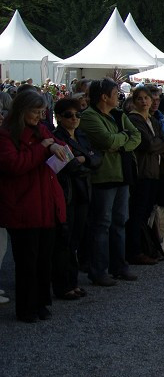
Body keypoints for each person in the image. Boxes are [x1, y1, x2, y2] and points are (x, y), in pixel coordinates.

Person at [0, 90, 67, 322]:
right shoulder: (6, 135)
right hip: (22, 206)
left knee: (43, 259)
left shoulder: (41, 129)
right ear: (22, 110)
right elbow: (14, 164)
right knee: (27, 262)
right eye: (36, 112)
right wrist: (44, 148)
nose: (40, 116)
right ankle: (27, 307)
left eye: (42, 112)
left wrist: (54, 146)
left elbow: (58, 145)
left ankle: (41, 302)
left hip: (45, 203)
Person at [79, 78, 141, 286]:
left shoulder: (119, 114)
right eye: (115, 93)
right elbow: (106, 141)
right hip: (104, 176)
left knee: (119, 222)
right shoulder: (88, 116)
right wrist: (123, 139)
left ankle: (119, 266)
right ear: (104, 97)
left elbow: (136, 136)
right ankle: (99, 270)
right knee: (102, 224)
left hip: (122, 174)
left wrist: (120, 143)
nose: (119, 97)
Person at [52, 97, 99, 299]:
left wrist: (85, 159)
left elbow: (97, 159)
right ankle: (63, 285)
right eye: (69, 115)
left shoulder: (81, 135)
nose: (74, 119)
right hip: (67, 193)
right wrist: (86, 159)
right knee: (65, 241)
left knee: (77, 239)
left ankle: (73, 281)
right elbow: (70, 166)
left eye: (78, 114)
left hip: (82, 192)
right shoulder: (56, 138)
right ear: (59, 117)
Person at [125, 86, 164, 265]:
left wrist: (158, 143)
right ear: (134, 101)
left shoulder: (153, 120)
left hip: (155, 170)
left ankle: (146, 246)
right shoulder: (133, 120)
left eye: (147, 98)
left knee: (147, 211)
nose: (144, 101)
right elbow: (148, 145)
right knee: (137, 212)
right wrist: (159, 143)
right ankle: (135, 250)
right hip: (142, 171)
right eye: (140, 98)